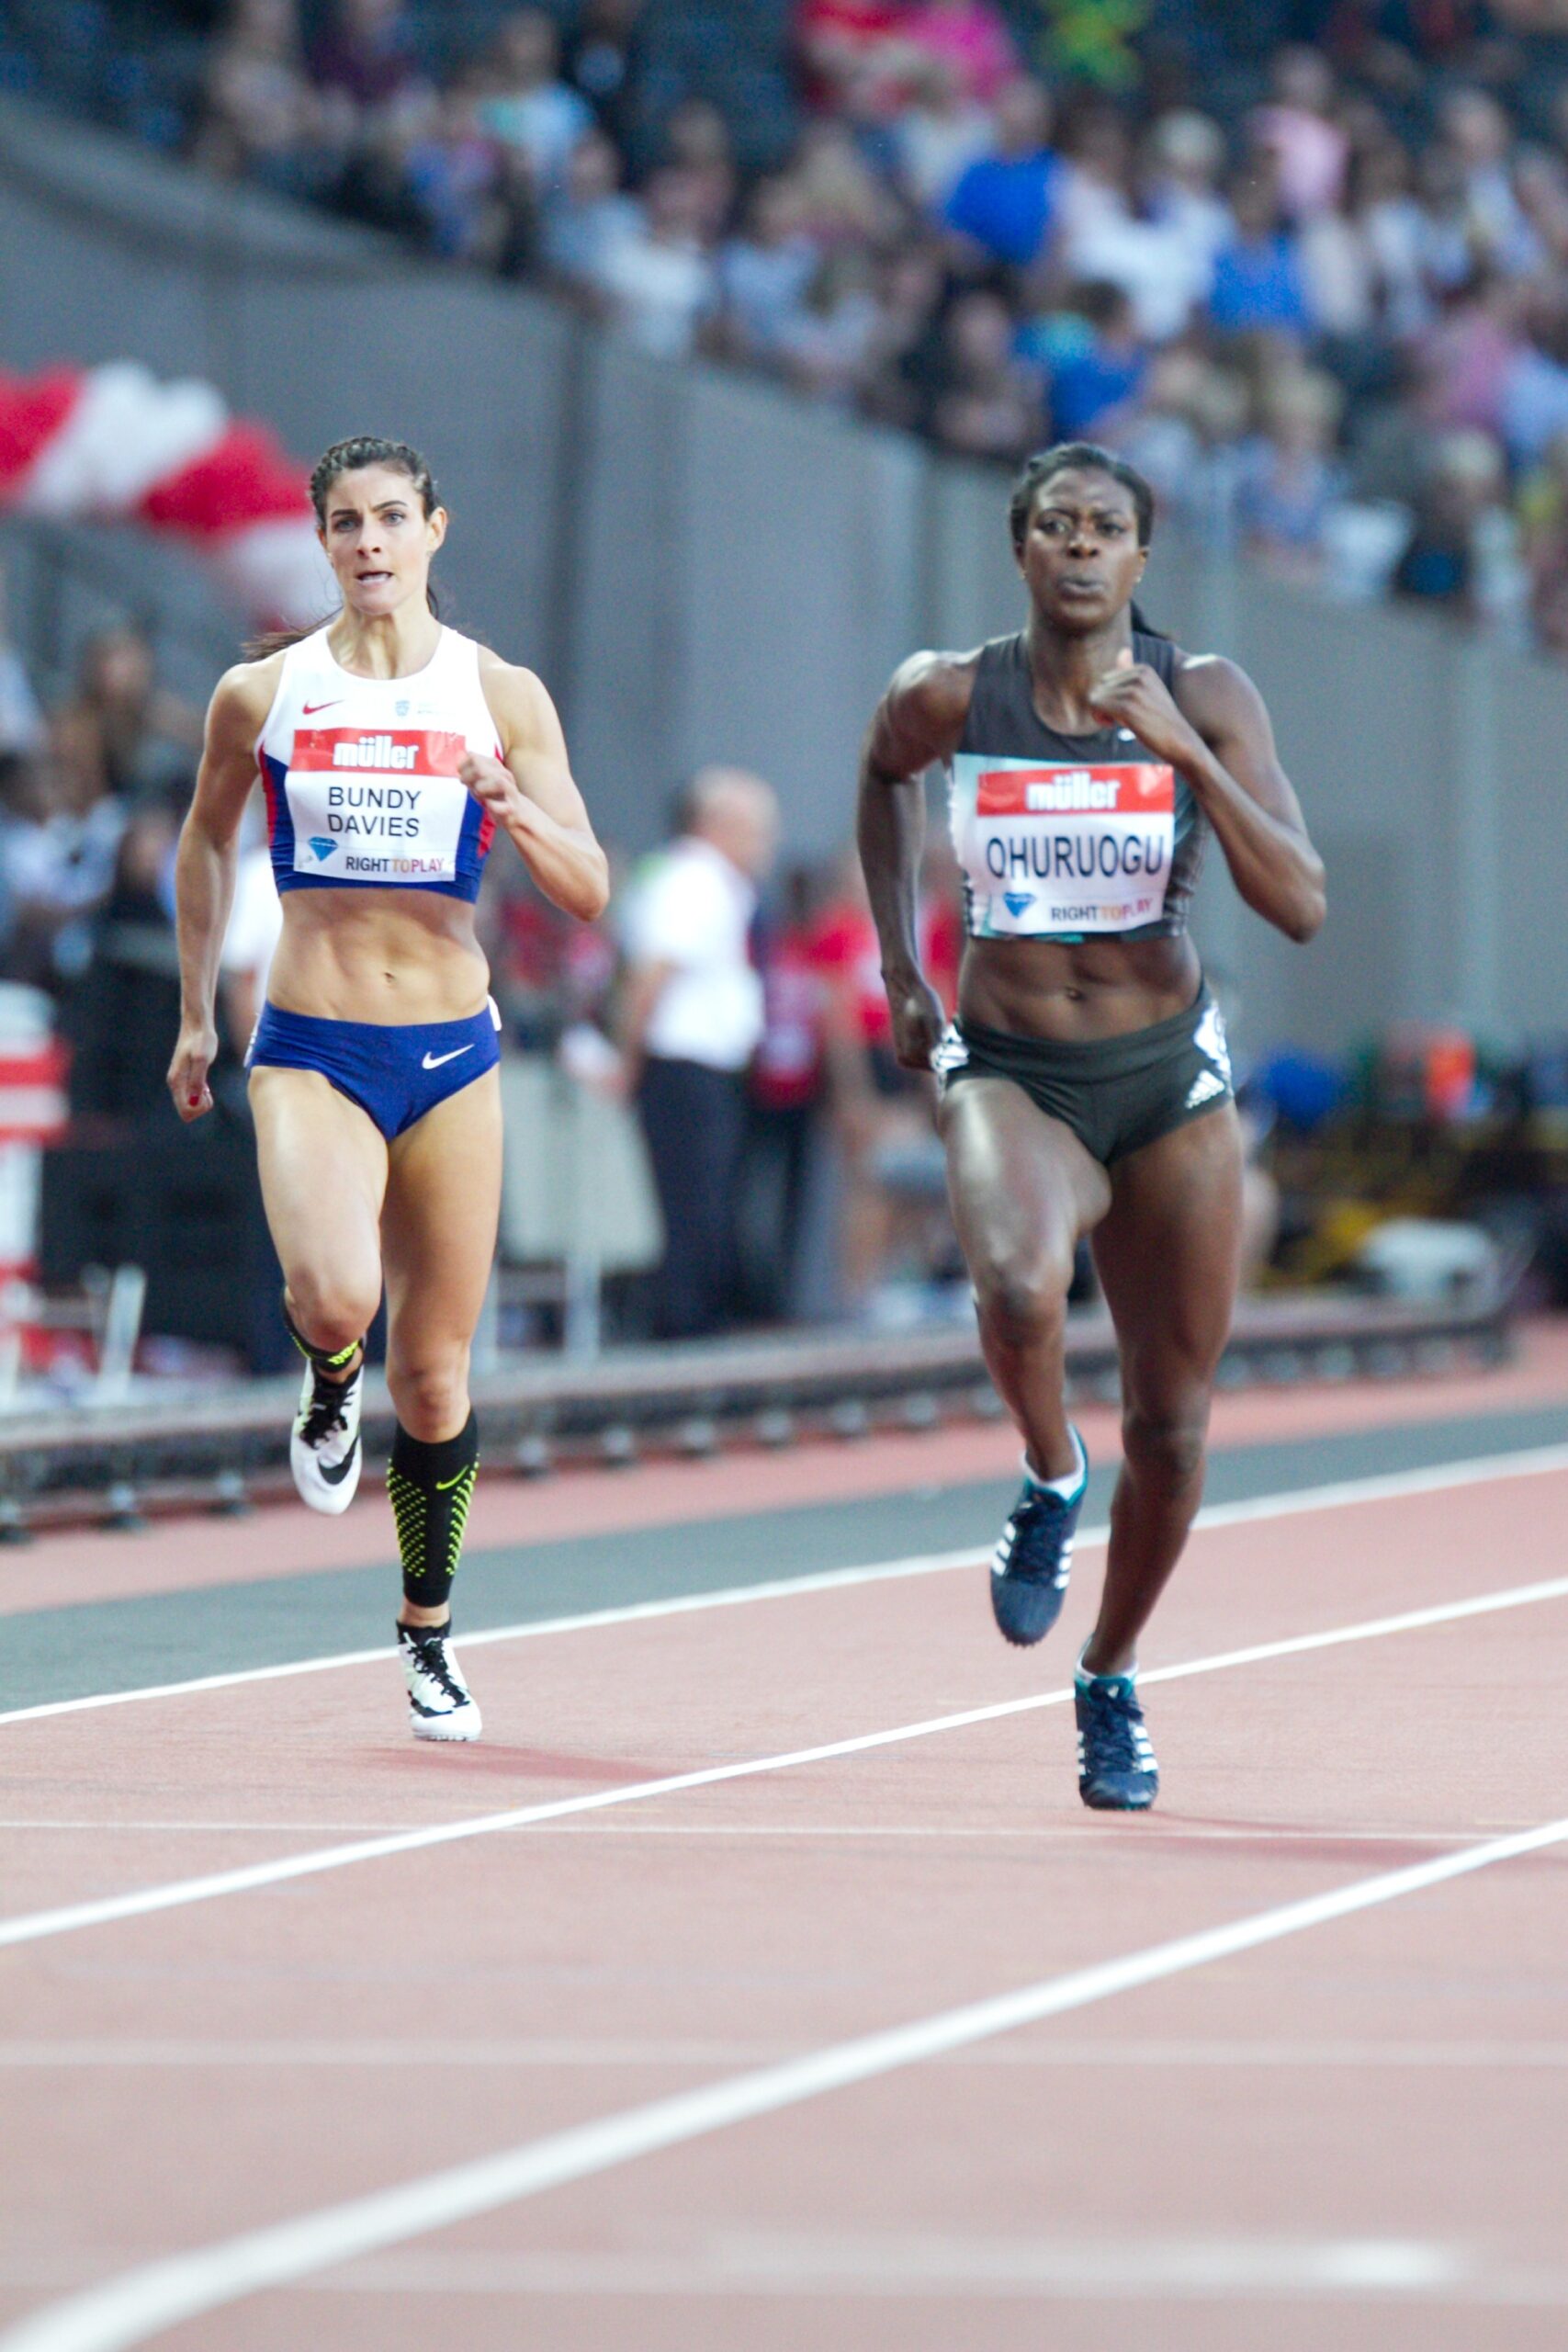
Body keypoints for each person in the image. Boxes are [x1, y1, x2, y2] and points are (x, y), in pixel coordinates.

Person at [856, 440, 1324, 1810]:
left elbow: (1299, 900)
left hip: (1166, 1080)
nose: (1077, 546)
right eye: (1054, 524)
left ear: (1137, 557)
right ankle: (1050, 1470)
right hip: (1010, 1066)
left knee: (1171, 1430)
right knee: (1015, 1283)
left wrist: (1183, 754)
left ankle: (1108, 1673)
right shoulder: (951, 692)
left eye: (1103, 528)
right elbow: (880, 774)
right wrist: (899, 967)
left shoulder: (1204, 692)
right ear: (1019, 549)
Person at [168, 435, 608, 1742]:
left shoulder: (499, 693)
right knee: (337, 1293)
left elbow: (588, 888)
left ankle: (427, 1633)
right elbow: (204, 842)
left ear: (434, 530)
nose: (370, 541)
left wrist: (514, 806)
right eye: (347, 522)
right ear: (322, 541)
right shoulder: (265, 691)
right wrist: (193, 1013)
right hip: (312, 1043)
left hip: (452, 1055)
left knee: (433, 1378)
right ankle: (325, 1373)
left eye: (392, 517)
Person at [617, 767, 778, 1339]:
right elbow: (651, 975)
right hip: (683, 1067)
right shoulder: (692, 879)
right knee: (691, 1202)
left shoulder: (719, 884)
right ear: (716, 824)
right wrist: (628, 1062)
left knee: (708, 1197)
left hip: (708, 1067)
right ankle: (682, 1325)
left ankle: (698, 1317)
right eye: (756, 829)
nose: (766, 843)